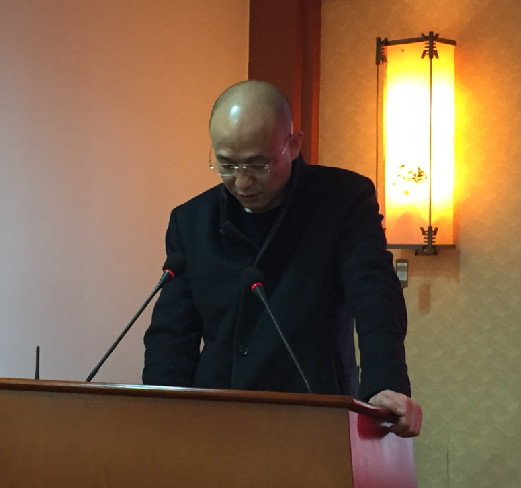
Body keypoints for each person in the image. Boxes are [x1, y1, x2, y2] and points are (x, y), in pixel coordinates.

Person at [143, 80, 422, 437]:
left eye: (258, 165)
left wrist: (385, 383)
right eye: (226, 164)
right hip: (213, 420)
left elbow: (374, 295)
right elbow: (172, 333)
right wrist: (158, 412)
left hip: (313, 414)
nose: (242, 181)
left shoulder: (342, 201)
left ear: (293, 145)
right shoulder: (192, 221)